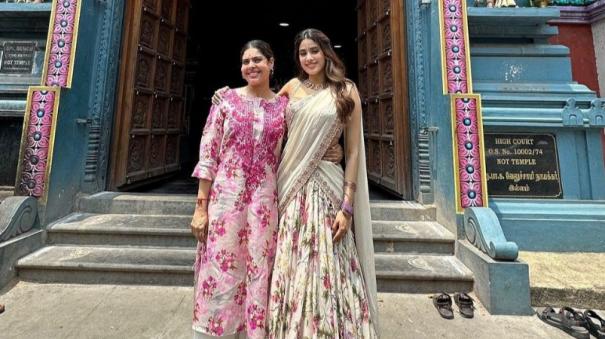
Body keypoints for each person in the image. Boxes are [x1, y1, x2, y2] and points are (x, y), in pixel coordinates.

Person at [190, 40, 342, 339]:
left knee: (260, 267)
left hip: (264, 202)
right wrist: (200, 207)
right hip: (225, 201)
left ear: (272, 64)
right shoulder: (225, 102)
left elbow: (307, 133)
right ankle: (216, 330)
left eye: (258, 59)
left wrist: (331, 150)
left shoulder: (282, 105)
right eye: (246, 61)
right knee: (222, 266)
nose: (251, 66)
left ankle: (254, 332)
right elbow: (208, 155)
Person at [267, 28, 378, 338]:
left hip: (328, 186)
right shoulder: (291, 88)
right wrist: (230, 97)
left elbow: (354, 151)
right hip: (291, 186)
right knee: (293, 258)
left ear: (326, 52)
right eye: (303, 53)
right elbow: (261, 115)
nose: (309, 57)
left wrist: (347, 205)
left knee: (328, 260)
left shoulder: (345, 91)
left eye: (314, 50)